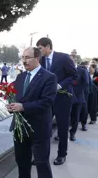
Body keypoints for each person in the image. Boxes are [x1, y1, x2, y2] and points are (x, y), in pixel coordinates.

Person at [7, 47, 56, 178]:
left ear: (37, 58)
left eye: (27, 57)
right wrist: (12, 106)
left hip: (39, 128)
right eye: (23, 57)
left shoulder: (49, 77)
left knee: (41, 163)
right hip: (20, 128)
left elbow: (47, 102)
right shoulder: (20, 77)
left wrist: (23, 107)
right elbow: (17, 98)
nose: (24, 61)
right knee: (22, 162)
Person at [37, 37, 78, 165]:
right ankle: (41, 155)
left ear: (48, 47)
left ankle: (62, 154)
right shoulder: (40, 60)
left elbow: (74, 75)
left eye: (40, 48)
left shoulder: (63, 58)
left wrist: (60, 85)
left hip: (63, 99)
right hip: (47, 100)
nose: (39, 51)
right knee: (43, 127)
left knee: (62, 128)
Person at [68, 54, 89, 141]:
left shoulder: (82, 71)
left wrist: (74, 92)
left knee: (75, 117)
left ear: (75, 61)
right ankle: (61, 133)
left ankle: (72, 133)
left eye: (71, 61)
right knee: (63, 117)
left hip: (78, 98)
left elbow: (85, 83)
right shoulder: (66, 70)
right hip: (66, 97)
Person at [78, 61, 91, 131]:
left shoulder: (83, 70)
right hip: (83, 92)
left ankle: (83, 124)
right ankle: (83, 124)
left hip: (83, 93)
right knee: (82, 109)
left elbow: (87, 82)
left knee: (83, 109)